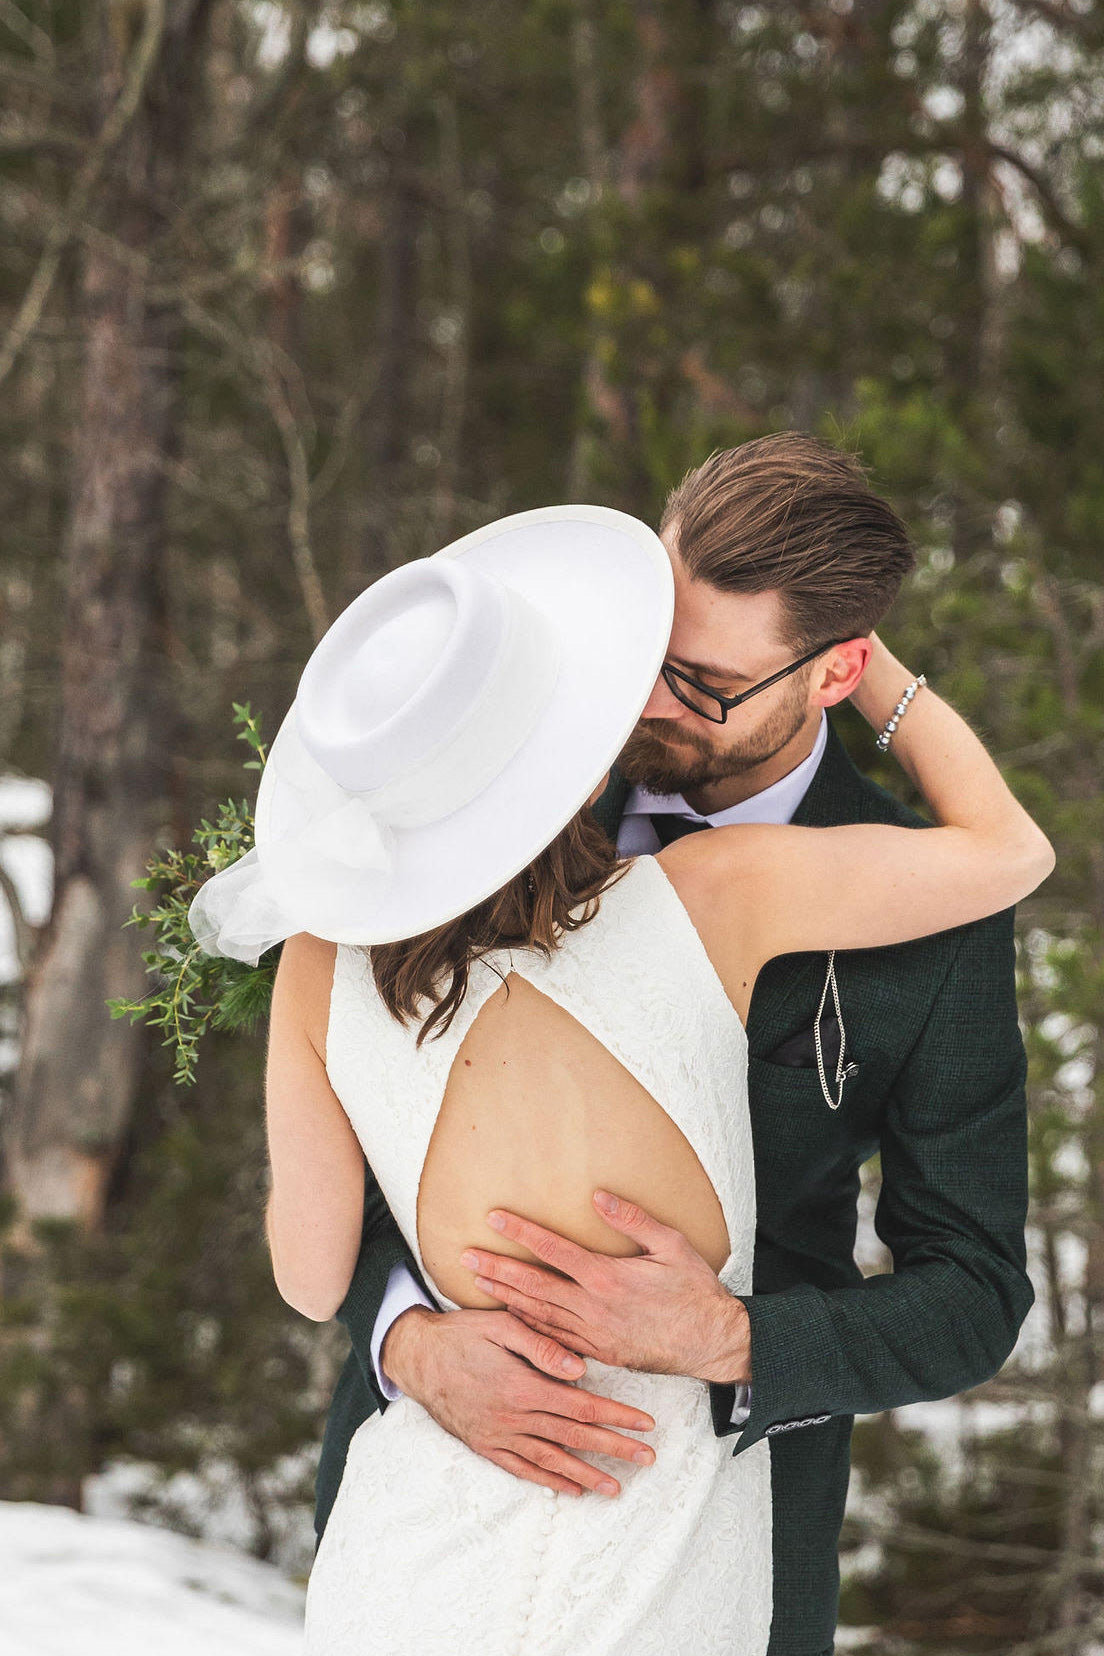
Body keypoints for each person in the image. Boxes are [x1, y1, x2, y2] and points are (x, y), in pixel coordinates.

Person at [190, 484, 1053, 1655]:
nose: (645, 696)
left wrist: (737, 1342)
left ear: (834, 672)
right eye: (643, 642)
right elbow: (355, 1220)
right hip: (429, 1486)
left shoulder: (915, 903)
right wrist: (406, 1339)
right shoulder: (690, 880)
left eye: (698, 681)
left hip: (723, 1528)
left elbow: (975, 1292)